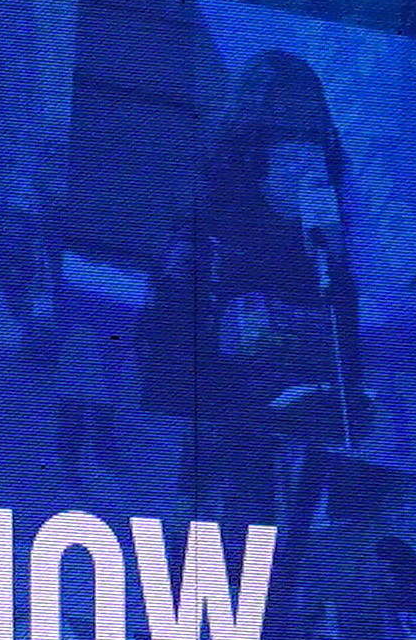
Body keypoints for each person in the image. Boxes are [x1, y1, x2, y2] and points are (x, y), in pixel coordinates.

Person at [144, 49, 364, 532]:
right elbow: (332, 255)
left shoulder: (221, 159)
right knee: (281, 463)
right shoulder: (306, 161)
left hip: (224, 331)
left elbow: (181, 249)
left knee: (227, 460)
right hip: (284, 338)